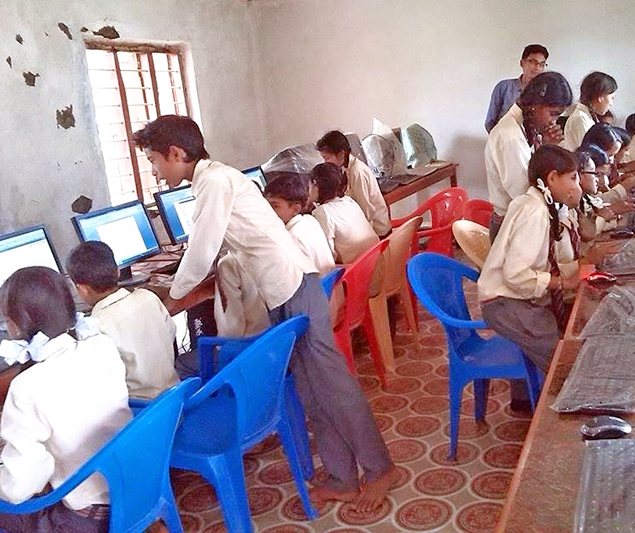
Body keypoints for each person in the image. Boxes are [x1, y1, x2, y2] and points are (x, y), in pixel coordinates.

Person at [132, 115, 395, 511]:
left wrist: (168, 299)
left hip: (293, 287)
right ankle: (342, 476)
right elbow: (220, 243)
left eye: (154, 160)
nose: (154, 170)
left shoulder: (214, 182)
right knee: (312, 390)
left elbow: (201, 253)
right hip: (285, 290)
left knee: (334, 386)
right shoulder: (214, 180)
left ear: (176, 153)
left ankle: (379, 469)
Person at [0, 267, 131, 532]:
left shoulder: (26, 387)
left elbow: (20, 487)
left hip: (88, 516)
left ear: (16, 325)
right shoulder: (102, 345)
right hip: (134, 484)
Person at [479, 145, 583, 410]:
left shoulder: (539, 203)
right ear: (551, 178)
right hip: (504, 303)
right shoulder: (534, 211)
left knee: (570, 324)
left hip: (515, 297)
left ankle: (525, 399)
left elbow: (546, 260)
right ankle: (570, 411)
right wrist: (562, 282)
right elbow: (516, 276)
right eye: (572, 178)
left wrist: (577, 270)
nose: (576, 184)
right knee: (564, 358)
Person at [66, 241, 179, 399]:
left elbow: (101, 380)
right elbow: (171, 332)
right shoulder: (148, 297)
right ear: (118, 271)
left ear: (82, 288)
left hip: (141, 411)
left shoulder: (95, 326)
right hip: (176, 395)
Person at [485, 71, 573, 241]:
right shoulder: (509, 135)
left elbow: (534, 172)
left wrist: (548, 147)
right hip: (512, 225)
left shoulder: (527, 127)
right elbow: (524, 192)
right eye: (553, 113)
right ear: (534, 104)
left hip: (524, 218)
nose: (553, 122)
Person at [316, 130, 391, 237]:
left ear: (341, 154)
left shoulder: (357, 172)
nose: (325, 163)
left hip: (378, 231)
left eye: (327, 158)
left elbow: (367, 211)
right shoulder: (345, 168)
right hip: (370, 226)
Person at [264, 172, 336, 275]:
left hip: (318, 289)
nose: (268, 210)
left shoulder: (290, 238)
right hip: (331, 283)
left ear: (295, 209)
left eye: (275, 206)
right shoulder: (309, 220)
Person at [311, 162, 380, 264]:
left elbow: (328, 254)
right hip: (376, 257)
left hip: (357, 268)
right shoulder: (348, 201)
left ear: (317, 186)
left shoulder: (323, 212)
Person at [484, 44, 549, 132]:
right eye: (532, 62)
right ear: (522, 63)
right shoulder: (504, 87)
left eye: (542, 64)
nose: (537, 67)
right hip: (504, 139)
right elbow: (490, 122)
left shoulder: (546, 92)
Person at [561, 71, 617, 151]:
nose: (611, 103)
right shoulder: (580, 118)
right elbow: (589, 153)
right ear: (600, 97)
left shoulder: (589, 117)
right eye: (612, 98)